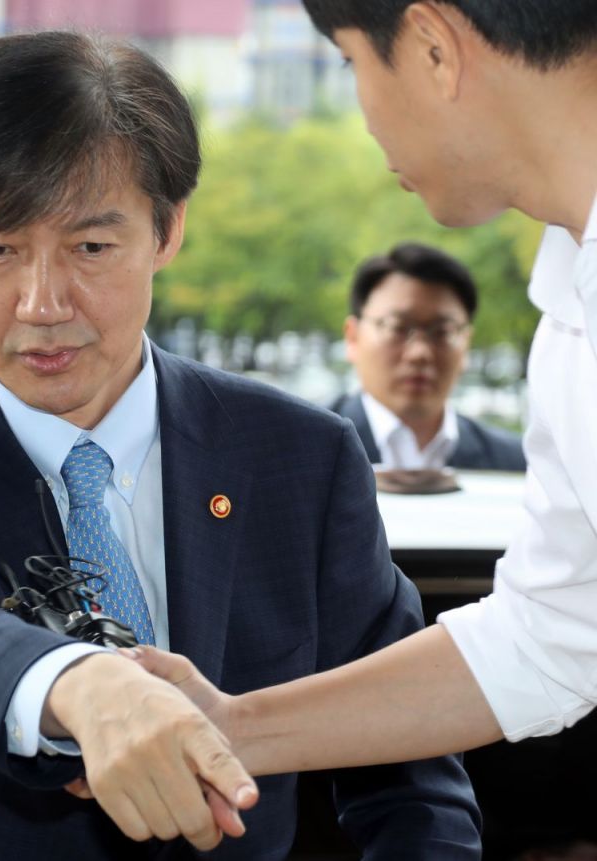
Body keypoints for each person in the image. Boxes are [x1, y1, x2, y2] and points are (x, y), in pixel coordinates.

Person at [0, 30, 481, 860]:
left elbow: (405, 765)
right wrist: (78, 684)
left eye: (91, 248)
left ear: (167, 231)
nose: (42, 303)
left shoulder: (302, 458)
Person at [127, 0, 597, 829]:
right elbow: (549, 633)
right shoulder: (569, 304)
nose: (363, 112)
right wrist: (230, 726)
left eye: (350, 61)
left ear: (433, 47)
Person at [331, 241, 525, 471]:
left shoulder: (518, 466)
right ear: (353, 337)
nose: (420, 353)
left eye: (442, 332)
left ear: (466, 343)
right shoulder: (309, 448)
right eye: (397, 328)